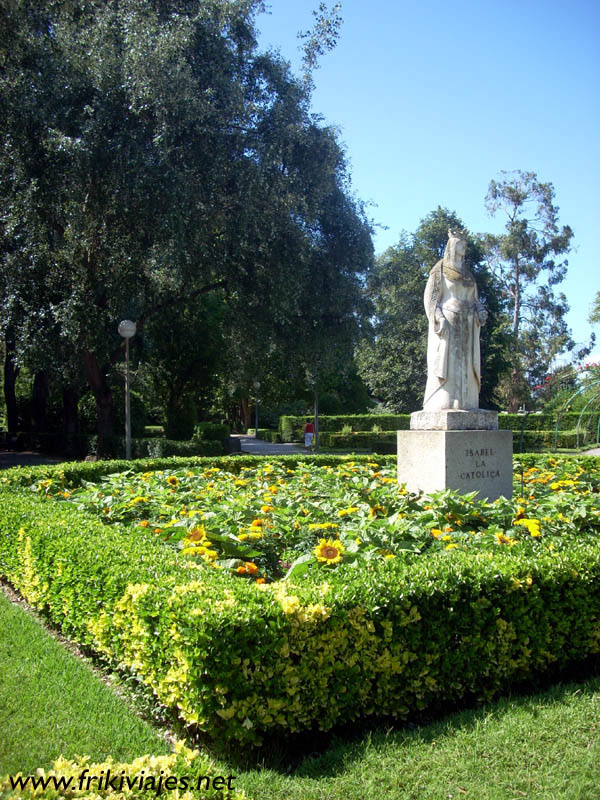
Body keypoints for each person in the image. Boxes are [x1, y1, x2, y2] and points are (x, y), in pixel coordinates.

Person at [423, 228, 488, 411]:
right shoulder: (440, 270)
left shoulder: (468, 274)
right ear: (452, 245)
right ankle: (444, 402)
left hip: (468, 325)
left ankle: (467, 403)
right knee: (449, 367)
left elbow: (475, 300)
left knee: (466, 366)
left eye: (464, 244)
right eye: (460, 243)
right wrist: (438, 317)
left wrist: (481, 311)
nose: (464, 247)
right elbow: (431, 299)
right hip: (449, 324)